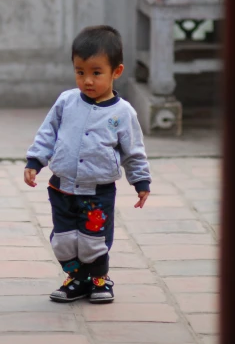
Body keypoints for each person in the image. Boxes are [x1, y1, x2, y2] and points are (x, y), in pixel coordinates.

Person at [24, 25, 150, 303]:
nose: (87, 81)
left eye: (96, 73)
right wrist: (35, 160)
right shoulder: (66, 101)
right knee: (64, 240)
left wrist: (140, 180)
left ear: (116, 72)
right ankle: (76, 279)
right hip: (62, 187)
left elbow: (133, 151)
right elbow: (48, 132)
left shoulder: (122, 113)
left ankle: (99, 281)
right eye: (80, 72)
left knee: (94, 241)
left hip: (98, 191)